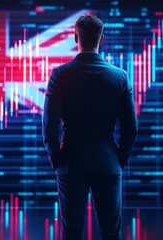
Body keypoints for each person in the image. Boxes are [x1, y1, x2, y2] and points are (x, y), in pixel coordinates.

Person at [42, 15, 138, 240]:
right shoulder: (120, 77)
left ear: (76, 37)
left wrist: (58, 161)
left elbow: (49, 126)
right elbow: (131, 128)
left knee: (72, 234)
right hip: (108, 163)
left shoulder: (60, 75)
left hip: (71, 164)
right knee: (111, 233)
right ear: (101, 39)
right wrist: (117, 160)